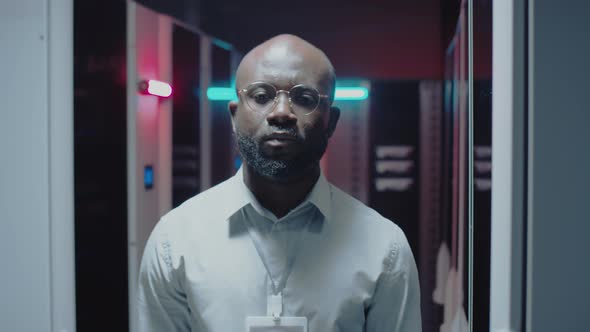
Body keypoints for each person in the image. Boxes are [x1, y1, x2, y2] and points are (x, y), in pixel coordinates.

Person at [138, 34, 422, 332]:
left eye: (304, 99)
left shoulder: (383, 248)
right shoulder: (176, 240)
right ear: (234, 116)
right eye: (261, 96)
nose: (282, 113)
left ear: (332, 121)